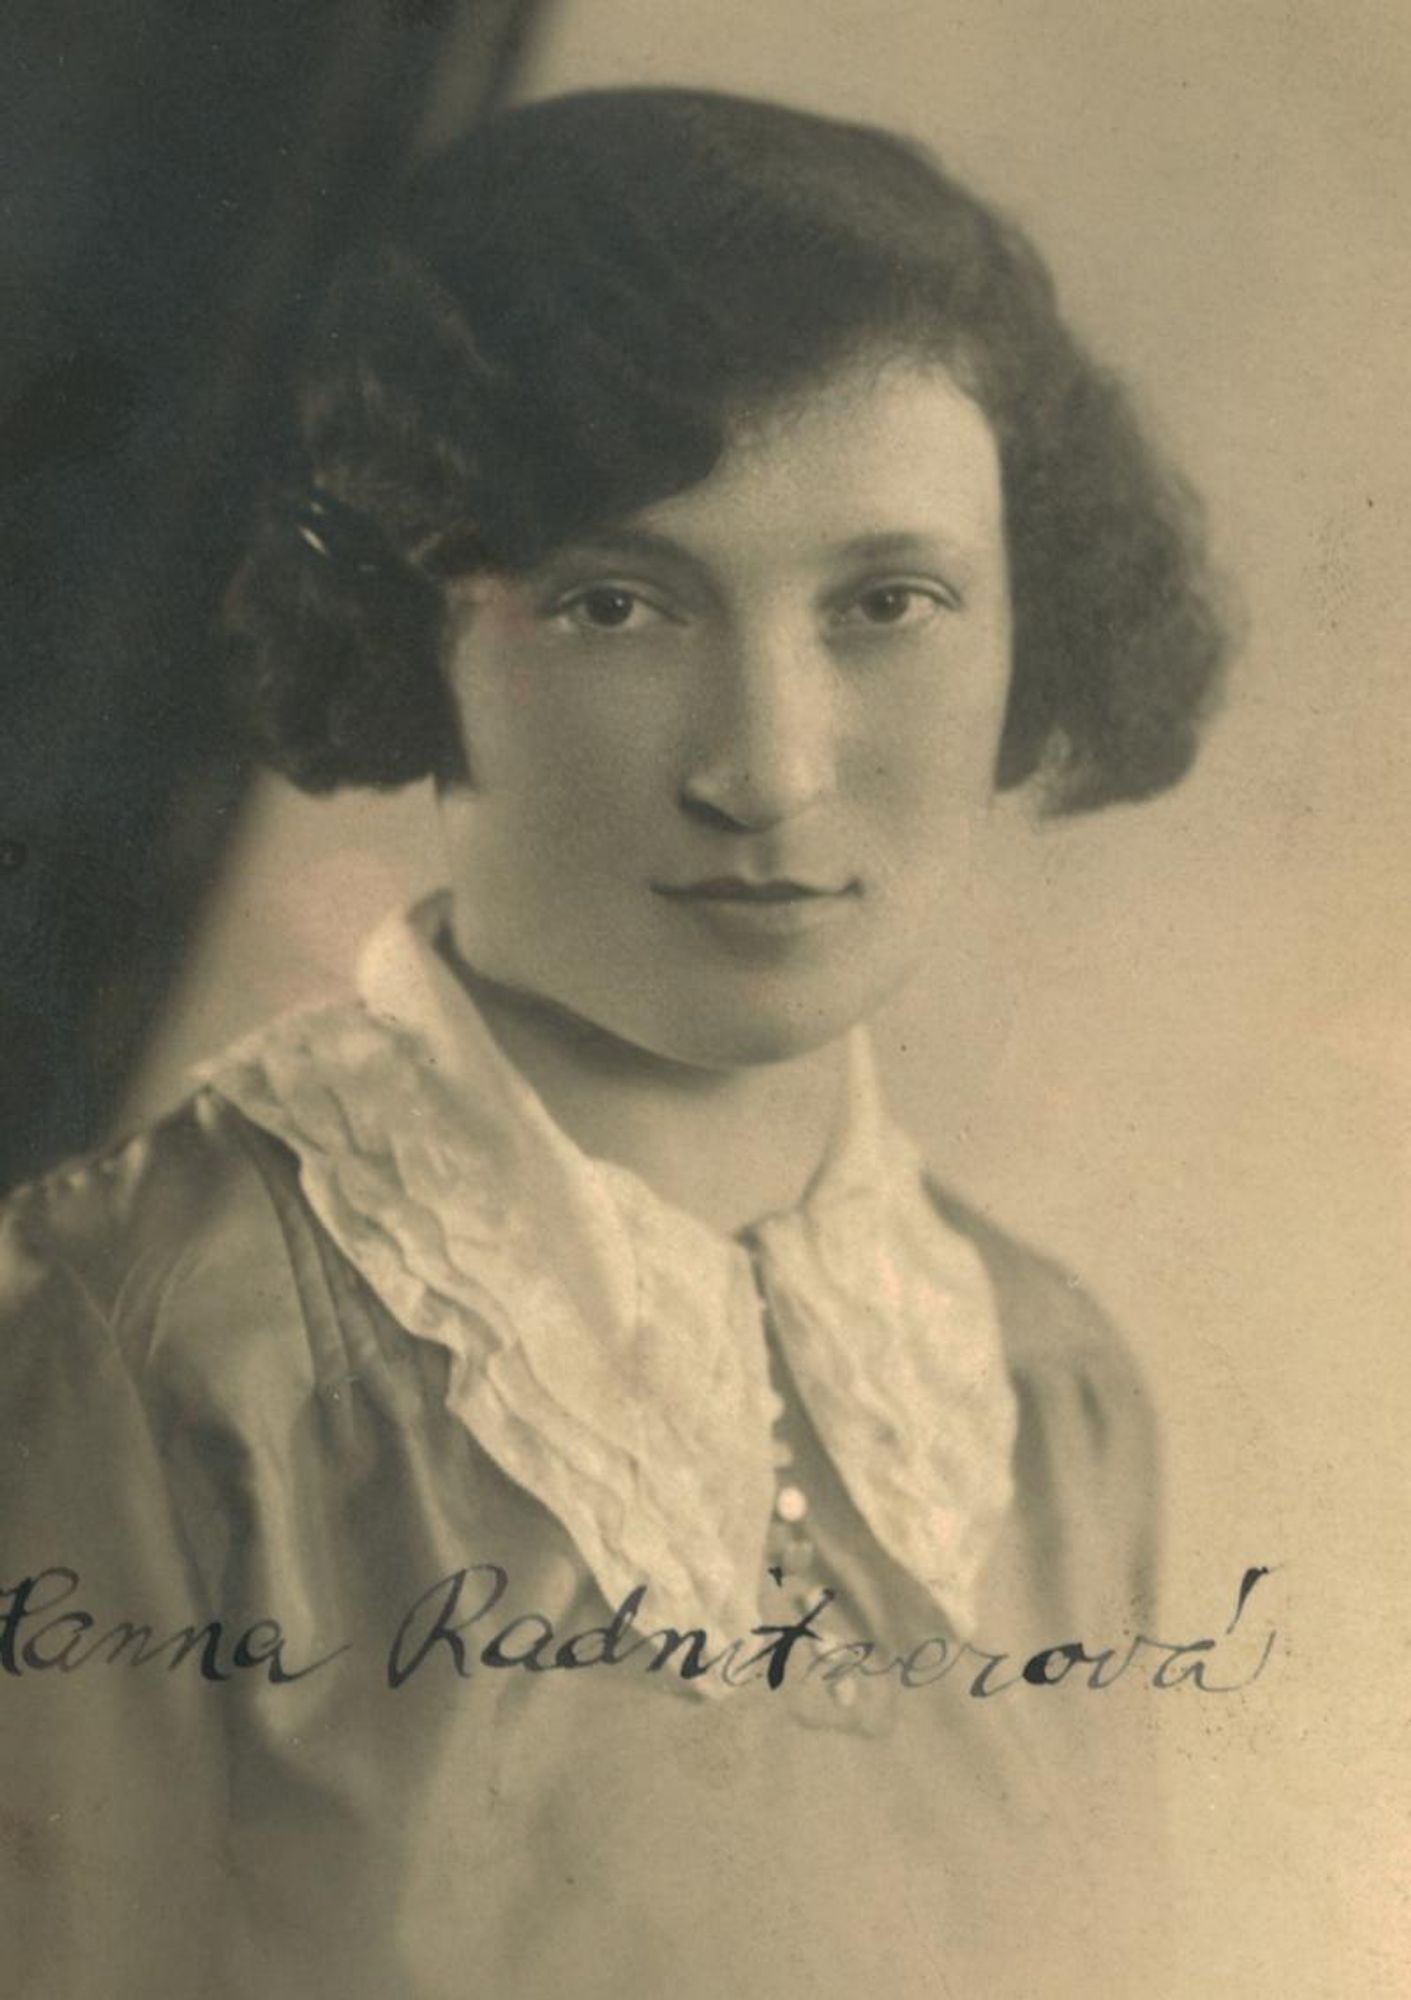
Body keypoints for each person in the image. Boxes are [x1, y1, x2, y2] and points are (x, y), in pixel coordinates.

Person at [0, 88, 1225, 1999]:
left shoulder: (1052, 1398)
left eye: (887, 602)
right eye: (620, 602)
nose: (768, 769)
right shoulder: (142, 1349)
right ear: (412, 630)